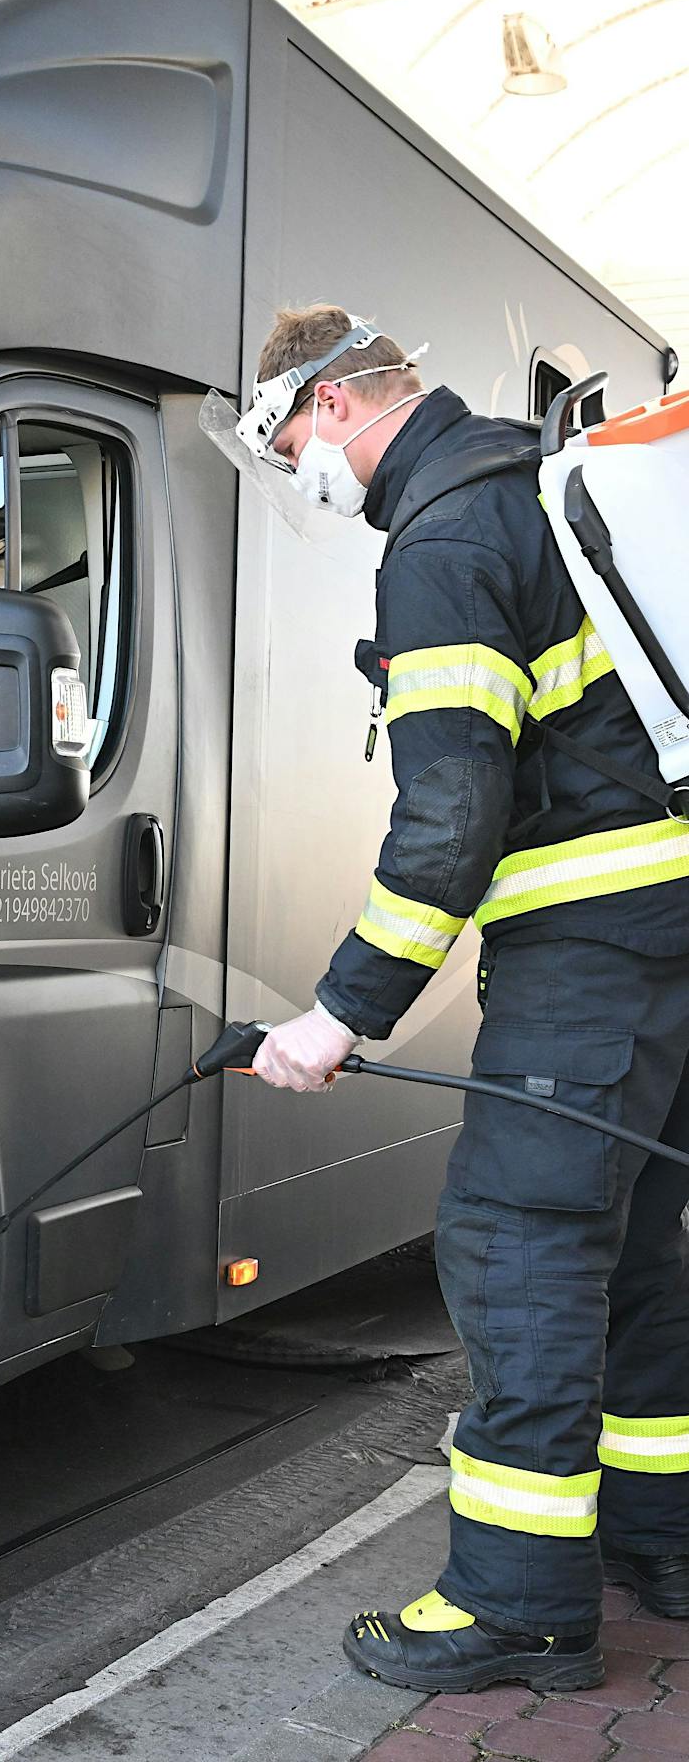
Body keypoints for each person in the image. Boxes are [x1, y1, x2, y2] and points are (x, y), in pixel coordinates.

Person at [241, 305, 689, 1697]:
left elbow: (450, 814)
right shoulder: (534, 491)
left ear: (333, 405)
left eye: (283, 437)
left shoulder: (443, 545)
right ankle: (664, 1543)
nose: (296, 468)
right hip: (671, 941)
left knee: (520, 1245)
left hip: (591, 957)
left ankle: (518, 1602)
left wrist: (339, 1015)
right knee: (640, 1258)